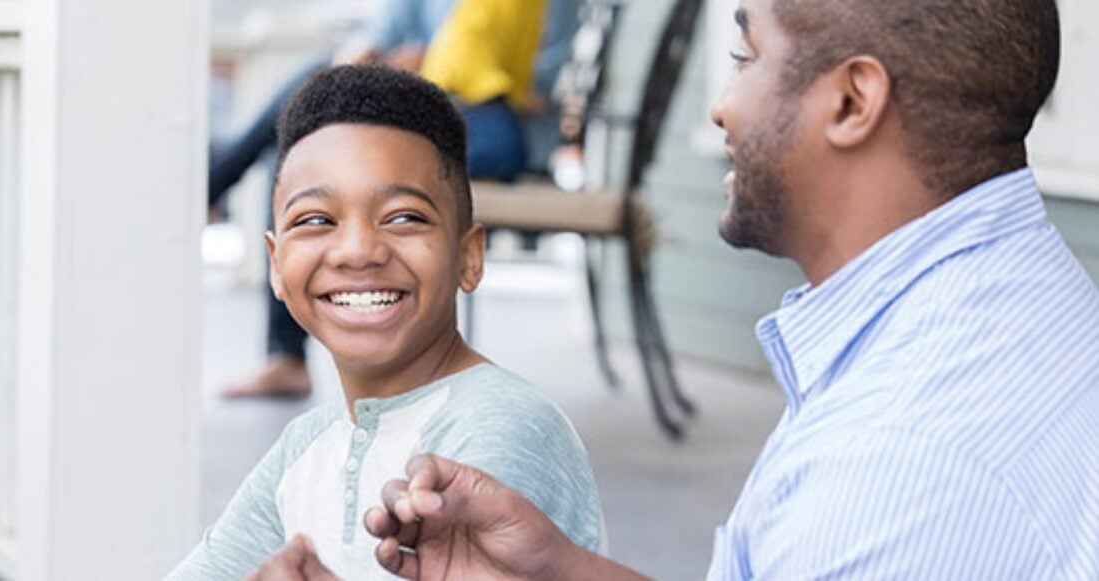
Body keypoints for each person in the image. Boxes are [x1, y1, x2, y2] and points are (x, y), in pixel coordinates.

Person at [344, 0, 1097, 578]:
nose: (720, 105)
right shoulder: (1019, 296)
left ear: (850, 103)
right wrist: (562, 566)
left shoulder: (897, 465)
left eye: (747, 55)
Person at [170, 64, 604, 579]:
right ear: (276, 266)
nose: (357, 251)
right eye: (316, 221)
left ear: (469, 257)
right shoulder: (307, 445)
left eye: (403, 217)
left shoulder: (503, 426)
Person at [217, 0, 583, 398]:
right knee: (303, 146)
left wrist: (434, 72)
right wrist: (373, 57)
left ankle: (212, 189)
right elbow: (382, 30)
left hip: (498, 126)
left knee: (305, 150)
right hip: (418, 110)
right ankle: (285, 358)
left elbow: (540, 85)